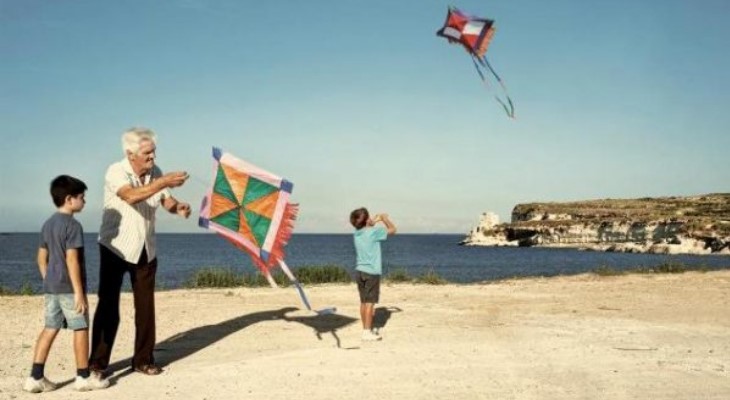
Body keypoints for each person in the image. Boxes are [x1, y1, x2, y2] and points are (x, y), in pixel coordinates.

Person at [89, 127, 191, 376]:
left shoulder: (155, 173)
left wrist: (178, 207)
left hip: (146, 248)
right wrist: (164, 181)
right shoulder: (116, 171)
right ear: (130, 153)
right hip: (115, 247)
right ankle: (98, 364)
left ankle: (143, 360)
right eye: (147, 153)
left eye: (154, 152)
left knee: (146, 308)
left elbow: (165, 200)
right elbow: (131, 196)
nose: (153, 157)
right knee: (108, 306)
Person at [24, 175, 110, 393]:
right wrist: (79, 292)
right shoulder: (73, 225)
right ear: (70, 199)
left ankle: (35, 377)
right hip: (70, 289)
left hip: (51, 288)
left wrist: (48, 278)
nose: (85, 201)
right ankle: (82, 377)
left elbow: (40, 258)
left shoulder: (48, 224)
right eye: (82, 197)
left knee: (50, 328)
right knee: (80, 328)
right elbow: (72, 260)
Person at [349, 207, 396, 341]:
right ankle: (366, 332)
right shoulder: (374, 232)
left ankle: (366, 328)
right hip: (372, 272)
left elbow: (365, 226)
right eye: (368, 217)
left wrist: (374, 220)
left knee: (363, 302)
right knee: (370, 303)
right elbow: (393, 230)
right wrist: (385, 219)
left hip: (360, 271)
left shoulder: (357, 233)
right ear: (365, 221)